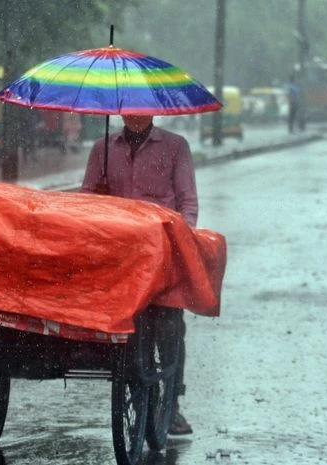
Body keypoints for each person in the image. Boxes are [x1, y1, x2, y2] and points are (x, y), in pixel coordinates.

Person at [81, 114, 197, 436]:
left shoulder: (176, 147)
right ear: (119, 112)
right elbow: (85, 199)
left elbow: (188, 203)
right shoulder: (101, 148)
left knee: (171, 329)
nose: (135, 113)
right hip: (117, 257)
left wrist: (180, 241)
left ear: (152, 112)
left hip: (162, 256)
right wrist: (97, 199)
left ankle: (171, 405)